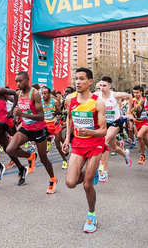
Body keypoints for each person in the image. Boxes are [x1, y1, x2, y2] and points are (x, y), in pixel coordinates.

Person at [63, 67, 107, 233]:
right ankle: (91, 170)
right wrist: (68, 138)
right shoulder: (70, 99)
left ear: (90, 82)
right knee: (70, 183)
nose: (78, 82)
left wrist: (89, 132)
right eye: (76, 78)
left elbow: (103, 130)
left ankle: (91, 214)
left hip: (95, 143)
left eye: (82, 79)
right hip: (78, 144)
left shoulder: (97, 102)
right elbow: (69, 118)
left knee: (87, 184)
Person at [5, 71, 58, 194]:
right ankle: (30, 156)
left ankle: (53, 179)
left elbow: (41, 116)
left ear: (27, 80)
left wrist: (22, 114)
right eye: (16, 81)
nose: (18, 84)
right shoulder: (18, 93)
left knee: (44, 158)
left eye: (20, 81)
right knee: (10, 149)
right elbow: (20, 107)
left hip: (38, 129)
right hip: (26, 128)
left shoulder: (34, 94)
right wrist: (17, 116)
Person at [96, 76, 132, 183]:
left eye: (104, 86)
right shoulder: (96, 95)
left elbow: (130, 96)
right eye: (100, 86)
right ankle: (125, 155)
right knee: (114, 148)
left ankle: (104, 170)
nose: (102, 88)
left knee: (104, 141)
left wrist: (129, 112)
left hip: (115, 123)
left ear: (109, 86)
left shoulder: (115, 95)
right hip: (103, 124)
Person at [41, 86, 68, 169]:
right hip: (46, 125)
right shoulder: (40, 102)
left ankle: (64, 161)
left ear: (49, 94)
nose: (43, 95)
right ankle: (65, 144)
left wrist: (58, 119)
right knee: (42, 143)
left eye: (45, 93)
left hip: (55, 124)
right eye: (42, 93)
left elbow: (59, 112)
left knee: (57, 144)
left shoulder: (55, 102)